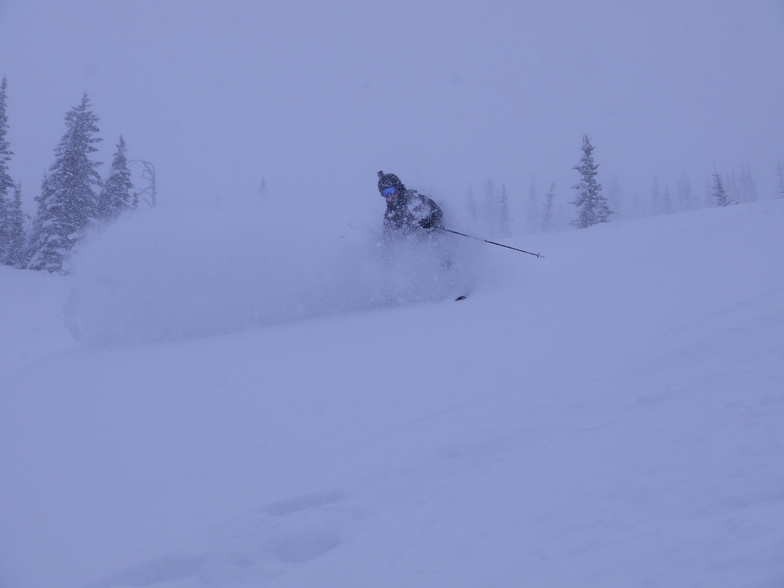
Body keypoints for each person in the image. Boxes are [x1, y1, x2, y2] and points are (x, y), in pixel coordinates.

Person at [377, 170, 444, 240]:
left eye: (391, 190)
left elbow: (438, 212)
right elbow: (388, 239)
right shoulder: (389, 215)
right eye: (385, 193)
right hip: (413, 246)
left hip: (433, 239)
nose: (390, 195)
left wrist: (430, 222)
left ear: (398, 188)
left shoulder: (412, 198)